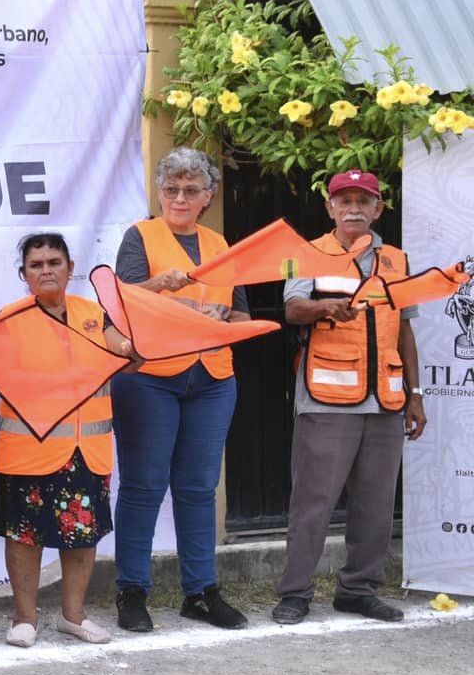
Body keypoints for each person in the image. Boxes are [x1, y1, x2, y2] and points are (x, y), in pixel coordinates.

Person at [109, 146, 252, 634]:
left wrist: (222, 317)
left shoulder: (220, 244)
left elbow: (243, 316)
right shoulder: (140, 236)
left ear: (208, 196)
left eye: (191, 190)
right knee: (144, 486)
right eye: (171, 189)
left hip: (212, 377)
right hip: (150, 376)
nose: (180, 197)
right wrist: (161, 286)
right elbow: (120, 302)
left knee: (198, 488)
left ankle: (201, 592)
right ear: (159, 191)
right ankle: (132, 589)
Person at [274, 170, 426, 625]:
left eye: (364, 200)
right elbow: (291, 309)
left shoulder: (398, 260)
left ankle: (358, 590)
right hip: (326, 400)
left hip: (385, 401)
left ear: (379, 208)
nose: (354, 208)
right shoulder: (302, 254)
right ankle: (296, 593)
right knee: (313, 502)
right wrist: (324, 308)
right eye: (345, 200)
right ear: (330, 208)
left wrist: (415, 396)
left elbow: (405, 327)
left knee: (376, 504)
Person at [0, 233, 133, 648]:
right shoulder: (8, 318)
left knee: (82, 535)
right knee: (24, 535)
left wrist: (137, 344)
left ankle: (73, 616)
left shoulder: (95, 314)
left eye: (55, 261)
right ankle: (24, 619)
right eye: (36, 265)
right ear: (24, 275)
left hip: (85, 450)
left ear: (71, 268)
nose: (46, 270)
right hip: (28, 451)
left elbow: (126, 356)